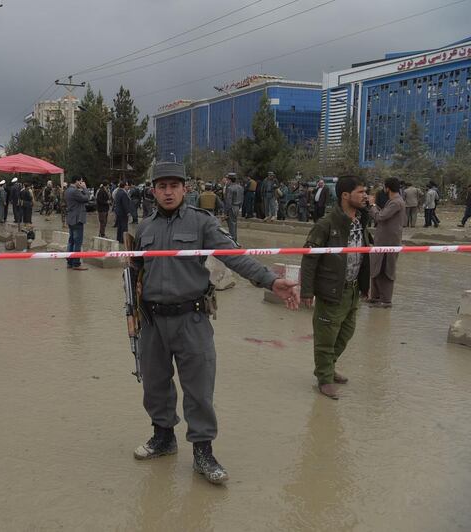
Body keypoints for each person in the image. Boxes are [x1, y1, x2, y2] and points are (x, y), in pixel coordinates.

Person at [130, 161, 299, 484]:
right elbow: (137, 272)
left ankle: (203, 452)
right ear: (153, 190)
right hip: (152, 320)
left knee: (199, 389)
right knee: (155, 385)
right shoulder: (145, 228)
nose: (168, 192)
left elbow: (234, 256)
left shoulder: (201, 223)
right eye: (162, 186)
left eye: (174, 186)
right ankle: (163, 438)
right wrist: (134, 311)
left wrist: (270, 280)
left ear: (184, 189)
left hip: (191, 318)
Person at [300, 176, 372, 400]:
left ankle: (327, 367)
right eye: (360, 192)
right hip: (331, 290)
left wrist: (364, 285)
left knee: (346, 334)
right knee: (326, 338)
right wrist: (307, 291)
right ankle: (324, 378)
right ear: (345, 196)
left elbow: (364, 255)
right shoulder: (326, 224)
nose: (365, 196)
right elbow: (310, 259)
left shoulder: (361, 221)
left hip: (352, 290)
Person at [367, 178, 406, 308]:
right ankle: (376, 297)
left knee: (386, 270)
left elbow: (380, 217)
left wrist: (372, 206)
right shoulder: (393, 202)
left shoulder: (396, 202)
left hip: (389, 243)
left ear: (387, 188)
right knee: (377, 268)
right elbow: (383, 214)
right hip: (383, 241)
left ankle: (385, 300)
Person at [65, 175, 88, 270]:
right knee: (77, 242)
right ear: (77, 181)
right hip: (77, 219)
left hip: (71, 218)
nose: (82, 183)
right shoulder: (74, 191)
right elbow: (86, 198)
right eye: (81, 181)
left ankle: (70, 262)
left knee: (71, 241)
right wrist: (85, 188)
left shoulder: (68, 190)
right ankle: (76, 263)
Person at [223, 173, 243, 242]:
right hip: (237, 207)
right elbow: (242, 199)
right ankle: (235, 240)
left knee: (231, 226)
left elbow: (228, 201)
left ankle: (232, 241)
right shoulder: (240, 187)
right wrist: (239, 207)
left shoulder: (230, 188)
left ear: (229, 180)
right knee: (234, 224)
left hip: (231, 207)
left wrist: (225, 212)